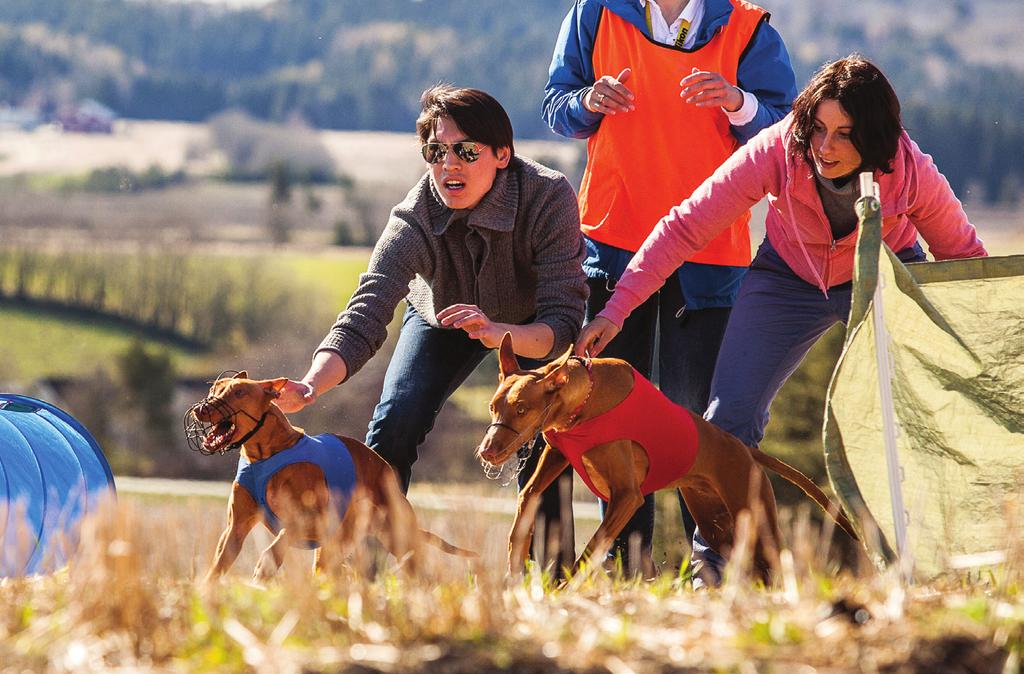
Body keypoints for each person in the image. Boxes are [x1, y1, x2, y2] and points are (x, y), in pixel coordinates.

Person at [576, 55, 988, 583]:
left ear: (876, 136)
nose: (824, 147)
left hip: (882, 273)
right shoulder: (778, 148)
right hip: (787, 278)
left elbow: (964, 258)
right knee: (726, 422)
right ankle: (721, 570)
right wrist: (617, 308)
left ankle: (925, 567)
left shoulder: (910, 173)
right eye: (818, 128)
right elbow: (685, 226)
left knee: (912, 416)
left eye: (844, 134)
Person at [276, 84, 588, 569]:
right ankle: (362, 570)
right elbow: (367, 308)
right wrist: (311, 384)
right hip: (442, 316)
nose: (449, 165)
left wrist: (499, 331)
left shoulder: (548, 197)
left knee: (542, 432)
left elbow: (562, 324)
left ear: (503, 155)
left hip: (532, 324)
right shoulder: (415, 217)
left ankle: (551, 575)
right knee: (395, 420)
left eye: (466, 151)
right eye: (436, 151)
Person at [543, 0, 797, 572]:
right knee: (612, 416)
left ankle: (713, 571)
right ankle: (626, 566)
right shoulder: (594, 13)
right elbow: (555, 106)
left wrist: (738, 102)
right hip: (611, 241)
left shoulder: (747, 25)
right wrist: (586, 101)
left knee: (697, 424)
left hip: (710, 251)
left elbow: (789, 129)